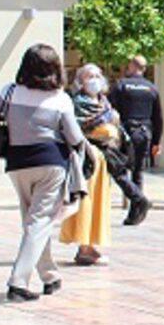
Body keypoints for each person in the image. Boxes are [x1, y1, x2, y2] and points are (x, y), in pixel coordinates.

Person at [0, 44, 85, 301]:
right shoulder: (60, 98)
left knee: (33, 220)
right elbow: (75, 137)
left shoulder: (10, 92)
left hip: (17, 163)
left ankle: (49, 275)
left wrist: (6, 120)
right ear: (55, 68)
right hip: (51, 162)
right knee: (39, 221)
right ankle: (18, 282)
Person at [60, 64, 115, 266]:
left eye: (98, 75)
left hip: (103, 159)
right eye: (90, 76)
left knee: (99, 202)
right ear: (80, 81)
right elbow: (74, 130)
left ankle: (91, 245)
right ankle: (83, 246)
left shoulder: (104, 103)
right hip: (85, 158)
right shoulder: (76, 104)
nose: (95, 79)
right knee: (85, 201)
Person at [110, 55, 161, 225]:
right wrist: (156, 142)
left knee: (119, 169)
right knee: (138, 172)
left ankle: (138, 200)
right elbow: (158, 118)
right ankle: (135, 213)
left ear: (131, 66)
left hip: (126, 132)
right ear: (145, 69)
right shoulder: (152, 88)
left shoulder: (121, 85)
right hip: (145, 133)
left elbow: (110, 110)